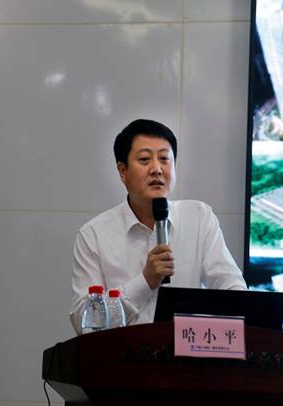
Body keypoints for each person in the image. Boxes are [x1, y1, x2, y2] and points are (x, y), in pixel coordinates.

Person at [70, 119, 246, 334]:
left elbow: (231, 286)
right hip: (123, 354)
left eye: (164, 159)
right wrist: (145, 281)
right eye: (145, 159)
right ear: (122, 171)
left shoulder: (199, 218)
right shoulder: (94, 235)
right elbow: (84, 323)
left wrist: (245, 313)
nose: (157, 169)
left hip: (186, 352)